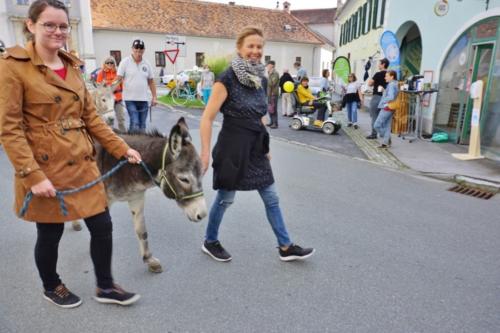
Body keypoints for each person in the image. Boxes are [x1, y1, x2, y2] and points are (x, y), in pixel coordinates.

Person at [0, 0, 142, 309]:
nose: (57, 31)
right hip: (45, 166)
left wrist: (122, 148)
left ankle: (105, 286)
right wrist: (32, 176)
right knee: (50, 233)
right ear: (31, 25)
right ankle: (51, 285)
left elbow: (91, 118)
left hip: (82, 162)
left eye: (63, 25)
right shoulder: (12, 66)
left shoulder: (72, 65)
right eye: (49, 24)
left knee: (102, 226)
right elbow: (9, 129)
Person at [199, 27, 314, 262]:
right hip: (232, 147)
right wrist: (204, 154)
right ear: (240, 48)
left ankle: (285, 246)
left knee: (271, 196)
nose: (255, 51)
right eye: (250, 46)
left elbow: (261, 115)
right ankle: (210, 241)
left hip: (255, 146)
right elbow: (207, 118)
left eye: (259, 46)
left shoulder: (261, 78)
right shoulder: (227, 78)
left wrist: (267, 147)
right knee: (225, 198)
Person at [116, 39, 157, 132]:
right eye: (136, 50)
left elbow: (151, 81)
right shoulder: (125, 62)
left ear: (144, 50)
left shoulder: (147, 64)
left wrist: (154, 97)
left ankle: (141, 145)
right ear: (132, 49)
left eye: (140, 51)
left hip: (144, 99)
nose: (138, 53)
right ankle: (132, 144)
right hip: (130, 99)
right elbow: (118, 79)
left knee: (142, 125)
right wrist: (109, 92)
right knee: (135, 122)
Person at [96, 56, 127, 131]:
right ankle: (110, 138)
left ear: (114, 64)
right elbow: (99, 88)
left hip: (118, 100)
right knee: (109, 121)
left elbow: (122, 85)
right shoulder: (101, 74)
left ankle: (124, 137)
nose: (109, 64)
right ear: (105, 64)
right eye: (108, 62)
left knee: (121, 120)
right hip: (108, 102)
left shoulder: (118, 73)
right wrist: (113, 83)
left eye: (111, 62)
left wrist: (109, 83)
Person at [374, 70, 399, 148]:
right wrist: (384, 91)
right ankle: (385, 143)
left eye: (386, 76)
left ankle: (387, 139)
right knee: (387, 126)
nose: (385, 78)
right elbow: (392, 95)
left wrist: (383, 102)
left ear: (392, 76)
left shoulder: (391, 84)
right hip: (392, 107)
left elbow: (391, 97)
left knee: (377, 125)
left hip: (387, 107)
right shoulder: (395, 84)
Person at [366, 58, 389, 139]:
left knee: (374, 116)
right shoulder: (389, 75)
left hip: (377, 97)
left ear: (383, 64)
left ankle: (374, 134)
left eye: (379, 63)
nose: (378, 65)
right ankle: (384, 134)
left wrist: (372, 79)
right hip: (386, 98)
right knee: (383, 117)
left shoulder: (378, 74)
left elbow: (369, 83)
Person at [266, 60, 280, 128]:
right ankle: (271, 122)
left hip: (273, 94)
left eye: (268, 65)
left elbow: (272, 83)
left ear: (272, 65)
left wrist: (268, 78)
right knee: (270, 108)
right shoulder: (269, 73)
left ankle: (275, 123)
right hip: (269, 94)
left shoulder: (275, 73)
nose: (267, 66)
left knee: (274, 109)